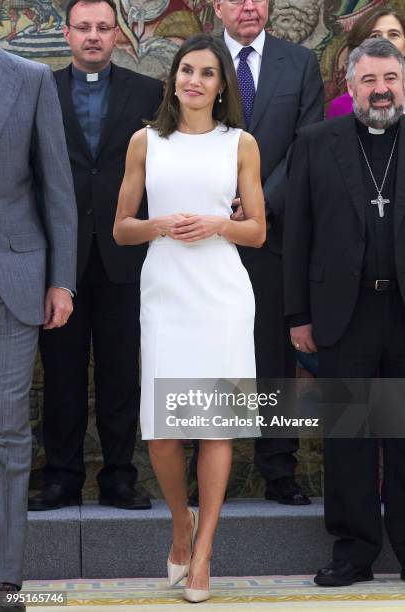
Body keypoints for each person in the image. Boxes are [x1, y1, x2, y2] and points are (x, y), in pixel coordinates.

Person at [114, 33, 265, 602]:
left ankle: (203, 556)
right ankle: (181, 522)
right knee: (162, 433)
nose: (194, 81)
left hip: (221, 294)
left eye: (206, 73)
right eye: (185, 70)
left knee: (216, 425)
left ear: (222, 84)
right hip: (166, 290)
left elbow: (256, 230)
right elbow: (121, 226)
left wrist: (216, 225)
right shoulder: (145, 141)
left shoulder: (241, 144)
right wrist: (162, 225)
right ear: (172, 78)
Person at [28, 0, 163, 512]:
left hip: (125, 258)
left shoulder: (148, 93)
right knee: (60, 375)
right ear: (66, 33)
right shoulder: (41, 89)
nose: (93, 36)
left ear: (117, 36)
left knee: (119, 375)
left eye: (103, 28)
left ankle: (119, 478)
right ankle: (60, 478)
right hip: (59, 260)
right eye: (83, 27)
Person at [284, 37, 405, 587]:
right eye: (369, 81)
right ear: (350, 87)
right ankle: (354, 551)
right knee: (350, 435)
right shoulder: (316, 142)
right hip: (343, 309)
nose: (381, 91)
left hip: (402, 308)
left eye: (390, 79)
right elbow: (298, 233)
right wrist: (298, 316)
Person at [211, 0, 324, 506]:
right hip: (209, 236)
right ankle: (206, 468)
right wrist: (217, 205)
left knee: (275, 358)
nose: (250, 6)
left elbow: (305, 145)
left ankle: (280, 470)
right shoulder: (198, 58)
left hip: (275, 234)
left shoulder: (299, 64)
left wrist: (259, 204)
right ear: (218, 6)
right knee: (209, 354)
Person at [0, 48, 77, 605]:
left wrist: (61, 281)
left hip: (17, 277)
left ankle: (6, 576)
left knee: (8, 429)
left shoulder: (28, 79)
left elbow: (57, 187)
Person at [327, 7, 405, 119]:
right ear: (360, 46)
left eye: (394, 34)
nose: (384, 42)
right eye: (375, 36)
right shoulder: (342, 106)